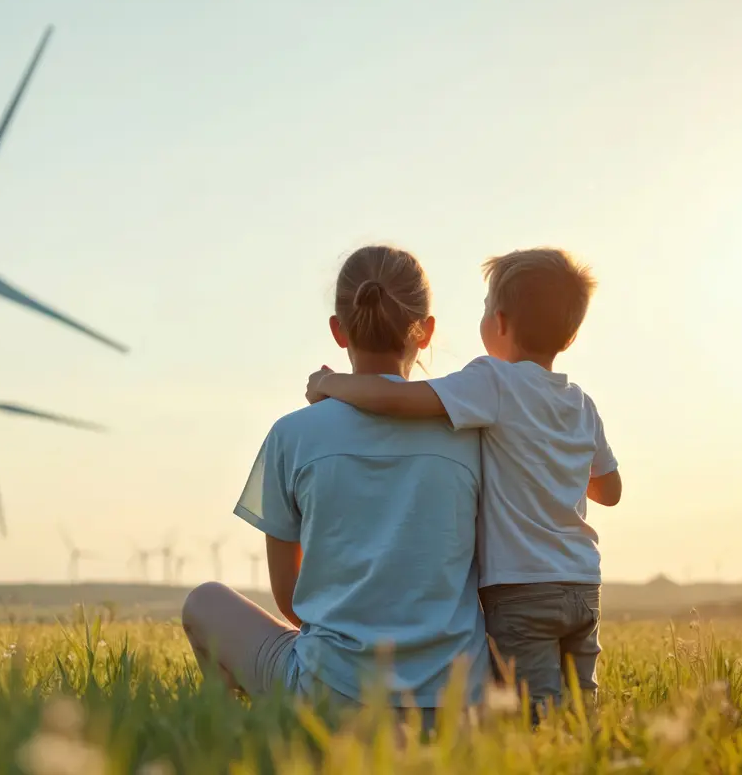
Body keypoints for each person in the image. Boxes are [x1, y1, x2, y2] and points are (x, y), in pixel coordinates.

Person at [182, 245, 490, 728]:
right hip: (457, 708)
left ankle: (241, 737)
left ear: (337, 329)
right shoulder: (473, 436)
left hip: (330, 699)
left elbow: (290, 599)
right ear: (426, 331)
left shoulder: (291, 435)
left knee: (204, 601)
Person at [306, 247, 622, 716]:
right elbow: (610, 491)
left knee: (534, 714)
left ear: (498, 322)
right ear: (571, 337)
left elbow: (399, 399)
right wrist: (559, 469)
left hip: (521, 590)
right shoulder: (581, 403)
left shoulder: (491, 382)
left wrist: (331, 386)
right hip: (582, 584)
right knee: (581, 706)